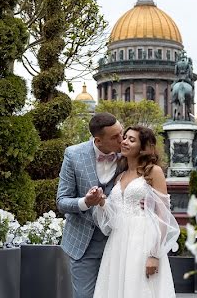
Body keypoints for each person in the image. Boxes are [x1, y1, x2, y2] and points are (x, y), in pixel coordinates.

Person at [92, 125, 178, 298]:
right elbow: (113, 217)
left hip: (142, 240)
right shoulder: (120, 176)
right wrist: (101, 202)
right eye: (125, 138)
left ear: (143, 147)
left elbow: (163, 214)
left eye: (132, 140)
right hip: (118, 241)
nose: (124, 142)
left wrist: (155, 254)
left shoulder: (154, 172)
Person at [57, 112, 124, 298]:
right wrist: (85, 202)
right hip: (83, 243)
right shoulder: (73, 154)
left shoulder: (128, 155)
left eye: (121, 132)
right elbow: (62, 201)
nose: (122, 139)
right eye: (115, 137)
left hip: (118, 240)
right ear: (98, 140)